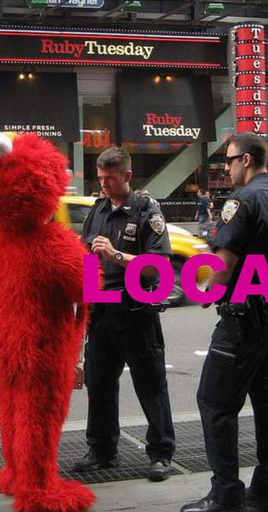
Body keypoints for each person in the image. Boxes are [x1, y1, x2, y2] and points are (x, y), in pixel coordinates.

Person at [180, 132, 268, 512]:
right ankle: (267, 491)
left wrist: (198, 289)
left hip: (247, 316)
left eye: (228, 161)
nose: (225, 168)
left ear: (246, 160)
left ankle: (226, 495)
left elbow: (224, 262)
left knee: (214, 401)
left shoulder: (242, 200)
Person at [73, 147, 175, 482]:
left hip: (136, 313)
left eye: (110, 178)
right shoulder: (97, 211)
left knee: (151, 385)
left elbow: (158, 266)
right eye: (100, 178)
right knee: (99, 385)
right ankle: (102, 451)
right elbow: (89, 263)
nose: (103, 184)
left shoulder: (147, 211)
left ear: (127, 176)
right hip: (101, 315)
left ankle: (161, 455)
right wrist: (83, 312)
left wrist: (118, 255)